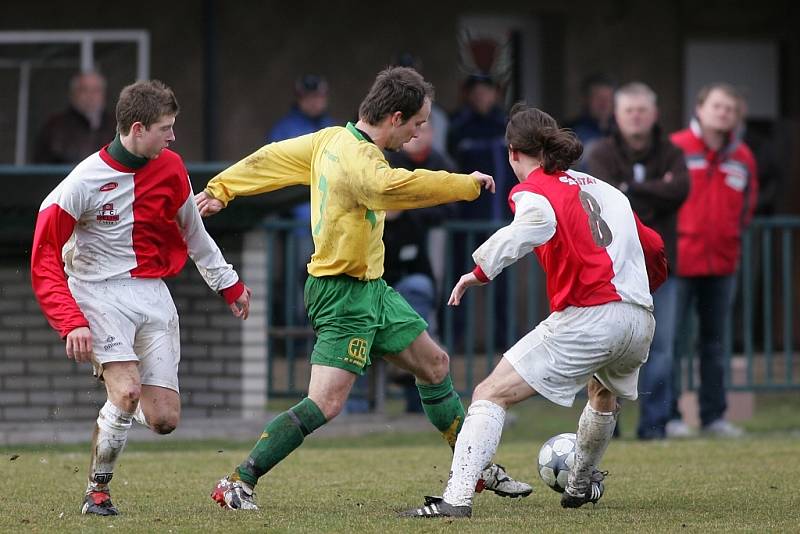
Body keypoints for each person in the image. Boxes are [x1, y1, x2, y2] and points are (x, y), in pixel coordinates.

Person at [195, 66, 532, 510]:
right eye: (416, 124)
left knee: (434, 365)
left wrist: (225, 187)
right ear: (395, 117)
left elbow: (271, 158)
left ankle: (475, 466)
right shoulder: (363, 161)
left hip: (372, 289)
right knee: (325, 403)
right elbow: (391, 188)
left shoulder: (330, 139)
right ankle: (238, 481)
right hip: (341, 295)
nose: (418, 134)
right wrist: (464, 185)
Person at [399, 103, 667, 518]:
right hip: (638, 316)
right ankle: (579, 483)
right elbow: (652, 244)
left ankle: (456, 499)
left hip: (592, 314)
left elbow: (531, 227)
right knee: (602, 393)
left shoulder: (535, 189)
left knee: (490, 393)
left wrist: (478, 271)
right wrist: (640, 294)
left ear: (512, 153)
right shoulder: (604, 187)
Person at [30, 80, 252, 516]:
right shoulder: (83, 182)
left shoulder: (171, 169)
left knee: (165, 420)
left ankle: (116, 399)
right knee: (128, 392)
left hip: (151, 294)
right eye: (165, 128)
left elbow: (193, 231)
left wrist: (229, 284)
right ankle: (97, 491)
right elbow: (42, 258)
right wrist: (70, 320)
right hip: (96, 292)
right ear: (137, 128)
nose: (172, 137)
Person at [585, 82, 690, 440]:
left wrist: (630, 191)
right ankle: (605, 428)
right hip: (614, 269)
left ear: (654, 114)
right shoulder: (600, 152)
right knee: (610, 348)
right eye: (629, 110)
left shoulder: (672, 152)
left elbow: (680, 191)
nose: (636, 116)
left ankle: (655, 427)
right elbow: (606, 199)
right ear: (617, 115)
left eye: (642, 110)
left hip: (661, 270)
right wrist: (647, 193)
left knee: (661, 350)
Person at [666, 83, 758, 438]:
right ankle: (669, 416)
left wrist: (730, 237)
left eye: (730, 109)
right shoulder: (676, 147)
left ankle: (714, 416)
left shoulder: (742, 156)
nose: (724, 113)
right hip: (679, 263)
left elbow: (747, 207)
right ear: (700, 109)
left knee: (715, 343)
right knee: (671, 342)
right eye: (717, 106)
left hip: (722, 264)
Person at [384, 121, 456, 413]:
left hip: (403, 298)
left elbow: (451, 204)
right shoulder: (363, 222)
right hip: (369, 293)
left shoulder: (414, 221)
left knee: (419, 293)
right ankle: (357, 406)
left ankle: (419, 403)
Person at [34, 71, 117, 163]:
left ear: (104, 94)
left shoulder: (116, 126)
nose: (91, 96)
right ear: (73, 94)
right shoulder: (55, 127)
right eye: (84, 90)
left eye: (96, 90)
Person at [565, 73, 616, 166]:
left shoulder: (623, 130)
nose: (604, 104)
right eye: (598, 98)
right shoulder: (569, 131)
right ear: (585, 99)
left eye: (608, 98)